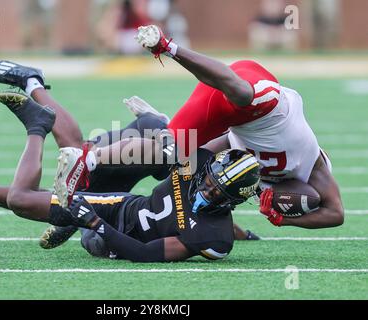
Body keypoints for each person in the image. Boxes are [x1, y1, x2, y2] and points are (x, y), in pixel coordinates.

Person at [0, 89, 261, 262]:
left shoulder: (214, 238)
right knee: (22, 199)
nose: (208, 190)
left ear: (233, 202)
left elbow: (146, 253)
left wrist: (94, 224)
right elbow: (167, 146)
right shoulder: (196, 162)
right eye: (210, 182)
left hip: (109, 235)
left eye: (219, 193)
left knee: (58, 207)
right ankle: (38, 127)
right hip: (118, 204)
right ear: (210, 168)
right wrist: (157, 122)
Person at [131, 25, 344, 229]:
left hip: (229, 122)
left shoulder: (265, 187)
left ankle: (158, 127)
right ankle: (168, 47)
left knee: (172, 161)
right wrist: (167, 47)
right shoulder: (311, 165)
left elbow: (335, 216)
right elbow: (335, 212)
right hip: (266, 107)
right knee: (242, 95)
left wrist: (282, 219)